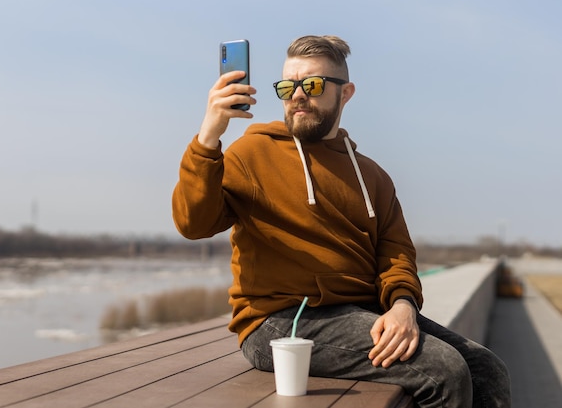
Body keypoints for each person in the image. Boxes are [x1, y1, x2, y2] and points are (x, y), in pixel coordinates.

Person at [172, 35, 511, 408]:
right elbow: (193, 223)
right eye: (287, 86)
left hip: (363, 312)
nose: (298, 95)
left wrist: (402, 305)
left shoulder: (371, 175)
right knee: (443, 371)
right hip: (280, 322)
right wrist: (209, 135)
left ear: (345, 93)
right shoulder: (253, 154)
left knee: (487, 367)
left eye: (313, 85)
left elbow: (395, 253)